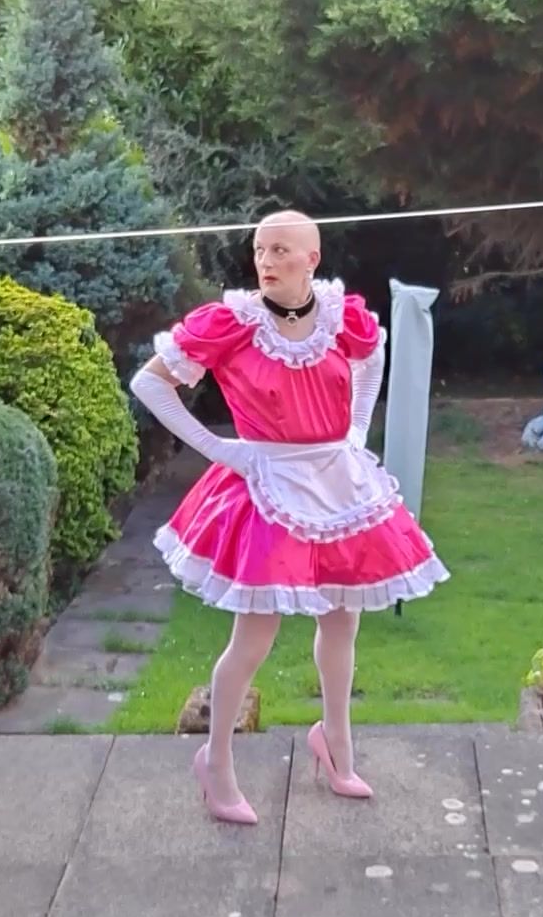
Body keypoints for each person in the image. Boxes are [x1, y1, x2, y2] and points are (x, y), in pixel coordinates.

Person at [131, 211, 449, 825]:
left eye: (280, 249)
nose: (266, 260)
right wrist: (221, 450)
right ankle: (215, 760)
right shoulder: (232, 323)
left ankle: (335, 743)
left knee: (343, 620)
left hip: (337, 482)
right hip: (268, 485)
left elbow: (371, 357)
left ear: (312, 257)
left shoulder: (341, 316)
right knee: (255, 635)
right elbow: (151, 384)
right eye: (259, 249)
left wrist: (356, 429)